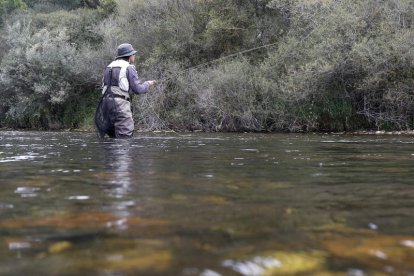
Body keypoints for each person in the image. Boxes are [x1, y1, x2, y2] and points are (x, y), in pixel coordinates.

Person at [97, 43, 156, 138]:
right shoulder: (129, 67)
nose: (134, 56)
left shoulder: (109, 66)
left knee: (111, 137)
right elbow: (138, 89)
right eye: (133, 54)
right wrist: (148, 84)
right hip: (120, 105)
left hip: (105, 104)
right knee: (124, 137)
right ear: (129, 56)